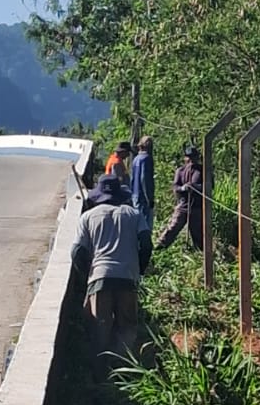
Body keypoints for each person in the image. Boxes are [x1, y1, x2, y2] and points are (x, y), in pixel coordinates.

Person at [71, 173, 152, 374]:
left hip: (99, 278)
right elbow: (147, 244)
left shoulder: (88, 217)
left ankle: (100, 374)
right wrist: (139, 269)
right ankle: (122, 369)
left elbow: (77, 251)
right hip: (127, 278)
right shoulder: (134, 215)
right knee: (127, 326)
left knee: (100, 327)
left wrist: (86, 275)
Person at [157, 144, 203, 252]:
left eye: (194, 157)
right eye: (189, 157)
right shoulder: (180, 171)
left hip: (197, 207)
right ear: (185, 158)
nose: (191, 160)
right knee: (173, 227)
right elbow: (175, 187)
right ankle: (159, 248)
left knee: (197, 232)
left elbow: (209, 186)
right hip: (183, 205)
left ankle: (201, 253)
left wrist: (194, 187)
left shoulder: (202, 171)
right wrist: (183, 188)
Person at [130, 135, 155, 232]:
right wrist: (149, 198)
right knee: (145, 224)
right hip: (143, 198)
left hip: (135, 195)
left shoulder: (136, 159)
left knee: (136, 222)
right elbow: (144, 179)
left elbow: (132, 178)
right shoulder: (147, 159)